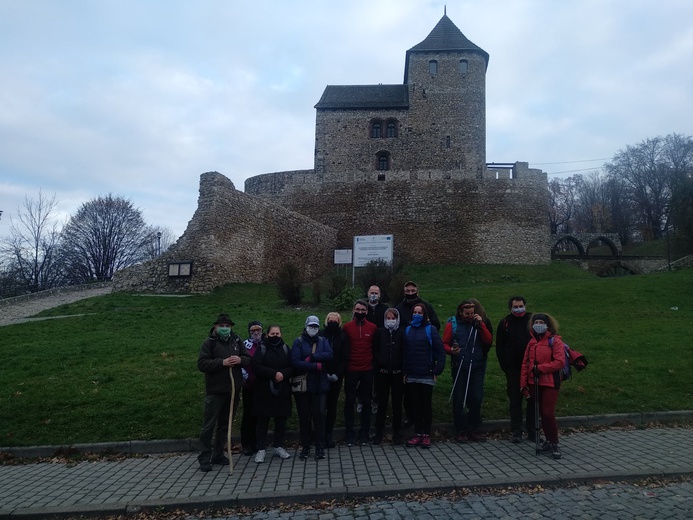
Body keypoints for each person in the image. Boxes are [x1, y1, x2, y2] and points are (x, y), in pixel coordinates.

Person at [196, 313, 250, 472]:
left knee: (225, 425)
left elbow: (247, 358)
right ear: (215, 327)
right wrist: (222, 362)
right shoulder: (209, 343)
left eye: (227, 326)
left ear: (231, 327)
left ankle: (218, 454)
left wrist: (240, 360)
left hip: (232, 390)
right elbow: (202, 364)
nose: (224, 329)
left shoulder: (236, 340)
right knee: (209, 425)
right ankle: (205, 458)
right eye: (221, 326)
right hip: (215, 391)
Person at [442, 299, 493, 442]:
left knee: (476, 398)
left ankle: (473, 428)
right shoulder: (453, 324)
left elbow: (488, 341)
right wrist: (451, 350)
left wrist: (481, 324)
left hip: (476, 365)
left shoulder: (477, 324)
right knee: (459, 399)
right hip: (460, 366)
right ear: (460, 312)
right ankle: (460, 429)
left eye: (472, 313)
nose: (470, 316)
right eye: (467, 313)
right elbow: (445, 343)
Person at [520, 313, 565, 459]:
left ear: (547, 325)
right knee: (540, 413)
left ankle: (554, 442)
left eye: (541, 322)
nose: (538, 324)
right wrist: (523, 383)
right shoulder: (532, 342)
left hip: (550, 382)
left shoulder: (555, 341)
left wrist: (540, 368)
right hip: (534, 382)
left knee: (547, 412)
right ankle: (548, 440)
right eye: (536, 322)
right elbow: (525, 363)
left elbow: (559, 362)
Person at [396, 281, 440, 427]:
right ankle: (410, 417)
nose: (410, 293)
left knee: (424, 397)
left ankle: (424, 425)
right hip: (407, 352)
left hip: (423, 355)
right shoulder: (399, 308)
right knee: (408, 393)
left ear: (417, 290)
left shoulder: (427, 306)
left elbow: (436, 325)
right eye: (407, 291)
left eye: (412, 290)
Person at [403, 303, 445, 448]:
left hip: (427, 374)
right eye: (415, 312)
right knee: (415, 406)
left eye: (420, 312)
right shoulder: (407, 329)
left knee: (426, 405)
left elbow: (440, 351)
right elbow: (405, 351)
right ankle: (417, 433)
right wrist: (405, 370)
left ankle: (426, 434)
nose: (417, 314)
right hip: (412, 374)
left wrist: (437, 369)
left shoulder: (431, 329)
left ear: (424, 314)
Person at [292, 315, 334, 460]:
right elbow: (296, 362)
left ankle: (320, 447)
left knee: (320, 416)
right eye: (311, 326)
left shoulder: (323, 341)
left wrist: (312, 356)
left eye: (316, 326)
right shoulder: (298, 342)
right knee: (304, 417)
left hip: (320, 385)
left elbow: (329, 355)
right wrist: (315, 365)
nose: (313, 329)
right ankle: (305, 446)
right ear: (306, 326)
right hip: (303, 387)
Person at [496, 296, 536, 443]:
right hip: (513, 369)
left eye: (521, 306)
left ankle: (533, 430)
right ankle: (516, 431)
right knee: (515, 400)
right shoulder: (505, 323)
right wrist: (505, 366)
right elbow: (499, 346)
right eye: (516, 307)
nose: (519, 309)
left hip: (532, 368)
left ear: (525, 305)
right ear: (510, 308)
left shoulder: (533, 321)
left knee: (533, 400)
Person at [252, 324, 293, 463]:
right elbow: (256, 366)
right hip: (264, 390)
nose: (275, 336)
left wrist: (283, 374)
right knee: (263, 420)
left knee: (281, 419)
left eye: (277, 334)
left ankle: (278, 446)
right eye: (272, 334)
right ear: (267, 334)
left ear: (281, 334)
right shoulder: (261, 348)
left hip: (282, 389)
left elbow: (293, 366)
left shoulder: (286, 348)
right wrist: (273, 373)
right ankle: (261, 449)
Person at [342, 299, 377, 446]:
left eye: (363, 310)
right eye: (358, 309)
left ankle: (364, 433)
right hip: (351, 369)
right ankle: (349, 433)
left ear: (367, 312)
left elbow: (375, 348)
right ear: (353, 310)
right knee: (349, 402)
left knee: (367, 402)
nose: (360, 312)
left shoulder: (373, 327)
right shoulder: (347, 327)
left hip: (367, 369)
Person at [372, 307, 405, 444]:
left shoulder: (402, 333)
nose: (391, 321)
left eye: (393, 318)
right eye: (388, 318)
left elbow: (404, 351)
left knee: (397, 403)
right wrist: (379, 364)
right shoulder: (380, 332)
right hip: (383, 373)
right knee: (382, 403)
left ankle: (397, 432)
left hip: (397, 374)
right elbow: (375, 350)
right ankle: (379, 431)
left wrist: (402, 368)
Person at [320, 311, 350, 449]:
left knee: (332, 406)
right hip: (322, 375)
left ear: (339, 322)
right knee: (321, 407)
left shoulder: (343, 336)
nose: (332, 322)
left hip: (337, 377)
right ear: (326, 321)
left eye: (335, 321)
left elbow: (345, 357)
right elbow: (318, 354)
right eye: (330, 320)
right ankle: (320, 435)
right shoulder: (320, 335)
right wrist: (324, 372)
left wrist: (338, 374)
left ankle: (328, 435)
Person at [240, 320, 263, 456]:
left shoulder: (264, 344)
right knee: (248, 414)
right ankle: (246, 444)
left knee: (259, 415)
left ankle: (256, 442)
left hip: (261, 385)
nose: (256, 332)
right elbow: (241, 363)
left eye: (258, 330)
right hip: (249, 385)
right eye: (253, 330)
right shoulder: (245, 345)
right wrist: (247, 377)